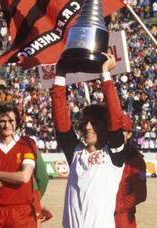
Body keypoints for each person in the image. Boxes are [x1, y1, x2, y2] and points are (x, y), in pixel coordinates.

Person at [52, 53, 125, 228]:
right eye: (85, 123)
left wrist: (105, 75)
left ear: (105, 127)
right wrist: (60, 76)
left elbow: (116, 119)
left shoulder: (113, 156)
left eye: (95, 123)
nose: (88, 127)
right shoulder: (76, 152)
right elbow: (61, 122)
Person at [0, 104, 38, 228]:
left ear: (16, 122)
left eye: (11, 120)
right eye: (2, 121)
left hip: (22, 214)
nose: (7, 125)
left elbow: (24, 177)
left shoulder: (27, 143)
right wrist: (13, 178)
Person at [115, 114, 147, 228]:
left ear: (129, 134)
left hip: (122, 220)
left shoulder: (135, 160)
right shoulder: (103, 155)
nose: (117, 133)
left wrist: (116, 206)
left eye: (122, 130)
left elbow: (141, 194)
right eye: (115, 129)